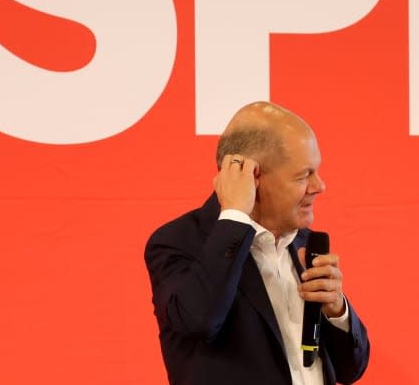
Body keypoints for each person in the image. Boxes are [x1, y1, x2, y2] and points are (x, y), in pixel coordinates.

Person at [144, 102, 370, 385]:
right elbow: (199, 322)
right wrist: (236, 216)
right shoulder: (178, 242)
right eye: (303, 175)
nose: (319, 186)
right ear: (252, 176)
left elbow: (351, 369)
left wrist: (337, 310)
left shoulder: (304, 244)